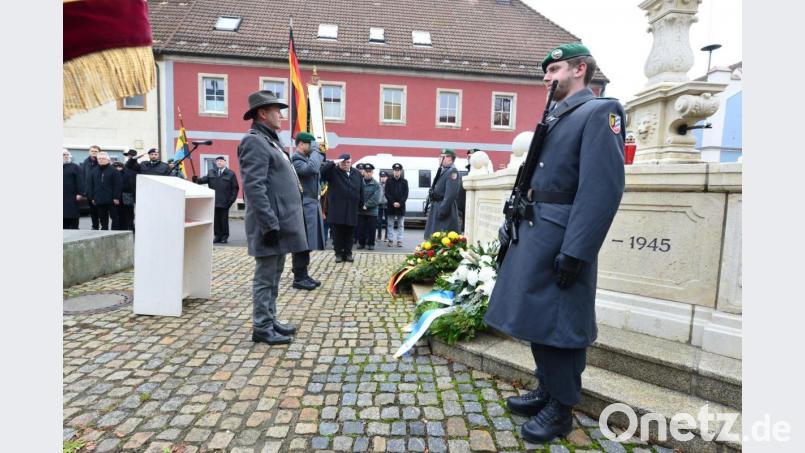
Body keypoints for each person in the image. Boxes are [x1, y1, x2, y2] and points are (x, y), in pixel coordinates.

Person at [484, 43, 626, 443]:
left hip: (562, 237)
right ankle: (547, 388)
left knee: (561, 325)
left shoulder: (599, 112)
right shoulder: (558, 113)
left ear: (579, 69)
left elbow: (602, 190)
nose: (546, 77)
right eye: (545, 72)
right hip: (537, 232)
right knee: (538, 319)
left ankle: (562, 408)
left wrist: (576, 251)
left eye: (554, 69)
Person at [237, 90, 307, 345]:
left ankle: (270, 318)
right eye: (277, 111)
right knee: (265, 278)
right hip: (269, 224)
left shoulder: (270, 141)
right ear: (263, 113)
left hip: (279, 223)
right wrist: (269, 224)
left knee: (275, 274)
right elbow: (254, 187)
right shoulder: (254, 141)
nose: (281, 115)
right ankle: (262, 327)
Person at [290, 132, 326, 290]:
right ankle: (299, 277)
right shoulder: (296, 159)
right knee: (302, 243)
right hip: (304, 205)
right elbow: (311, 169)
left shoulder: (306, 158)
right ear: (301, 144)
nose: (312, 147)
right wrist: (317, 151)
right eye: (310, 144)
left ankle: (303, 273)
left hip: (311, 204)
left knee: (308, 243)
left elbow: (317, 167)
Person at [320, 153, 362, 263]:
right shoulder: (333, 172)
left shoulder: (356, 173)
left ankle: (348, 254)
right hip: (337, 209)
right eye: (343, 162)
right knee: (337, 234)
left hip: (351, 209)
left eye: (348, 162)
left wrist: (360, 204)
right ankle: (338, 254)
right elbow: (321, 172)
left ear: (351, 162)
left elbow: (361, 190)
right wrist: (333, 162)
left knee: (349, 234)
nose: (345, 164)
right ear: (339, 162)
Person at [193, 156, 239, 243]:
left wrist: (231, 201)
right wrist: (196, 179)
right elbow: (202, 180)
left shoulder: (230, 174)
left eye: (221, 161)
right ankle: (217, 236)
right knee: (216, 220)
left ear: (225, 162)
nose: (219, 162)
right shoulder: (211, 172)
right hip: (214, 201)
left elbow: (235, 188)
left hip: (225, 202)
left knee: (224, 221)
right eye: (217, 161)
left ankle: (224, 237)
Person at [423, 149, 462, 238]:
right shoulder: (444, 170)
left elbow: (451, 195)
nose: (439, 159)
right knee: (434, 236)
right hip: (437, 205)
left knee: (442, 237)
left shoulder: (452, 171)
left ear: (450, 159)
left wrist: (442, 210)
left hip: (444, 207)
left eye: (442, 157)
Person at [86, 151, 122, 230]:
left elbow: (118, 185)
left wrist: (116, 197)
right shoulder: (94, 171)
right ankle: (104, 231)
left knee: (115, 217)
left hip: (112, 199)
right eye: (99, 159)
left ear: (108, 160)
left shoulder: (114, 171)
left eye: (103, 158)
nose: (101, 160)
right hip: (99, 199)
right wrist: (92, 197)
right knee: (102, 218)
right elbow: (91, 185)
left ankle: (114, 232)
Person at [356, 163, 382, 250]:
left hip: (372, 211)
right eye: (366, 171)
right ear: (363, 172)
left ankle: (371, 244)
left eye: (370, 172)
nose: (368, 173)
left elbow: (376, 197)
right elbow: (357, 194)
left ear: (372, 173)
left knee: (372, 229)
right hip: (361, 210)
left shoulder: (376, 184)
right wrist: (361, 205)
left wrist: (366, 205)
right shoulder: (359, 182)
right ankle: (361, 243)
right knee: (361, 228)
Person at [384, 162, 408, 247]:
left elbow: (406, 194)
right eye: (395, 170)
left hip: (401, 206)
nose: (396, 172)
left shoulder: (404, 181)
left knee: (400, 225)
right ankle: (390, 240)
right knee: (390, 224)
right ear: (393, 171)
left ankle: (399, 241)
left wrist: (400, 203)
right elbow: (387, 193)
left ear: (400, 171)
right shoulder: (389, 181)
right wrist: (393, 202)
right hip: (391, 206)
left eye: (398, 170)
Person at [63, 149, 84, 229]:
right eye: (63, 155)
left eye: (67, 154)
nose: (66, 156)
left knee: (72, 216)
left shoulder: (75, 167)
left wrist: (80, 193)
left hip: (72, 196)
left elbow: (80, 181)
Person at [113, 161, 137, 231]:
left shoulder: (129, 173)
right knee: (120, 215)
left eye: (119, 167)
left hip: (127, 197)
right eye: (116, 167)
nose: (118, 168)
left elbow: (131, 185)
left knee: (129, 215)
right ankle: (123, 229)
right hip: (118, 198)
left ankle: (130, 228)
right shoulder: (113, 173)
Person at [81, 145, 101, 229]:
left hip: (100, 191)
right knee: (93, 211)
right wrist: (84, 190)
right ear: (89, 152)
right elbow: (82, 176)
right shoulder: (85, 162)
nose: (94, 153)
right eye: (92, 151)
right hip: (89, 191)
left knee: (101, 211)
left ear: (99, 152)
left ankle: (104, 227)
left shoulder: (101, 161)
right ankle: (95, 226)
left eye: (96, 151)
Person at [376, 171, 388, 243]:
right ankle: (379, 236)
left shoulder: (389, 185)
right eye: (381, 177)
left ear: (387, 177)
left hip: (387, 204)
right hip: (379, 204)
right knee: (379, 221)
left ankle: (386, 236)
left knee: (387, 221)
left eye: (384, 177)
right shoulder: (377, 184)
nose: (383, 178)